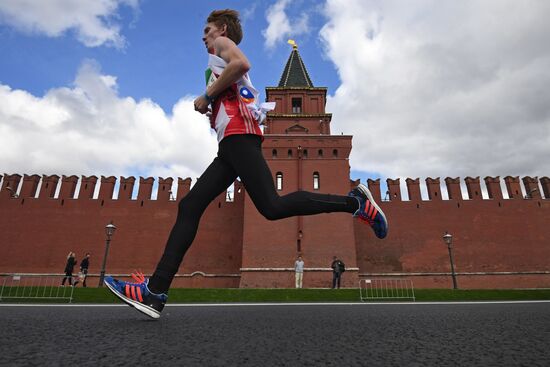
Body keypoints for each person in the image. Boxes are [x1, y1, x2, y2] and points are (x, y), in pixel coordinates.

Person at [105, 9, 388, 319]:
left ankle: (355, 202)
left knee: (272, 206)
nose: (204, 35)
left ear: (222, 29)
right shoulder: (216, 58)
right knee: (191, 206)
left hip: (240, 138)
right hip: (229, 146)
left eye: (208, 29)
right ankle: (155, 293)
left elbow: (242, 64)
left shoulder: (223, 44)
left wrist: (207, 95)